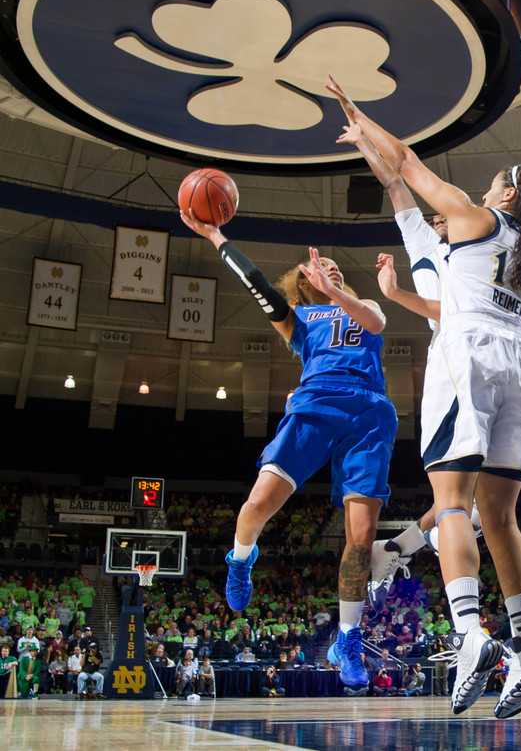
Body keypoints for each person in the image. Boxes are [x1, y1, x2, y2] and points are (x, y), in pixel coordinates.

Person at [329, 74, 521, 720]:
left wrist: (360, 117)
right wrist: (366, 146)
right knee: (499, 516)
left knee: (451, 501)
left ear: (507, 194)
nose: (480, 189)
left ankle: (469, 633)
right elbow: (398, 187)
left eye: (493, 183)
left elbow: (407, 163)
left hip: (470, 353)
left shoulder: (473, 219)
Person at [180, 210, 398, 692]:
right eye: (319, 269)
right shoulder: (298, 318)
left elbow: (376, 321)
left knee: (362, 538)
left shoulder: (358, 304)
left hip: (369, 412)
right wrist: (215, 236)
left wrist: (335, 290)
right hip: (316, 402)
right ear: (302, 282)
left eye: (335, 268)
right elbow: (256, 283)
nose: (330, 269)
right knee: (258, 503)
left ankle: (348, 638)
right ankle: (241, 559)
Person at [359, 152, 521, 605]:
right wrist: (394, 293)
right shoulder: (428, 251)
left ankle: (406, 543)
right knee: (466, 483)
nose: (441, 220)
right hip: (462, 355)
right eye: (437, 220)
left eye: (443, 218)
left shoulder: (484, 246)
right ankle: (430, 537)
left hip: (492, 356)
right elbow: (399, 190)